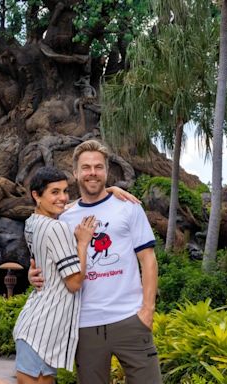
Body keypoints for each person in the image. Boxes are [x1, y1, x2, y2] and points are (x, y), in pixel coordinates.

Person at [0, 166, 138, 383]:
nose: (62, 198)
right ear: (36, 195)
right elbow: (74, 283)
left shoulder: (33, 222)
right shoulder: (56, 228)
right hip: (43, 329)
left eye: (64, 191)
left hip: (39, 325)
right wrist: (82, 243)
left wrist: (107, 191)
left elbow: (67, 209)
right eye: (54, 192)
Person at [29, 140, 162, 384]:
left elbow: (149, 260)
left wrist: (147, 310)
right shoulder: (63, 218)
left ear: (107, 171)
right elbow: (47, 261)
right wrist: (33, 273)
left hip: (130, 319)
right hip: (84, 324)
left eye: (98, 167)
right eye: (86, 167)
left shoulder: (128, 208)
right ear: (75, 173)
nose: (93, 172)